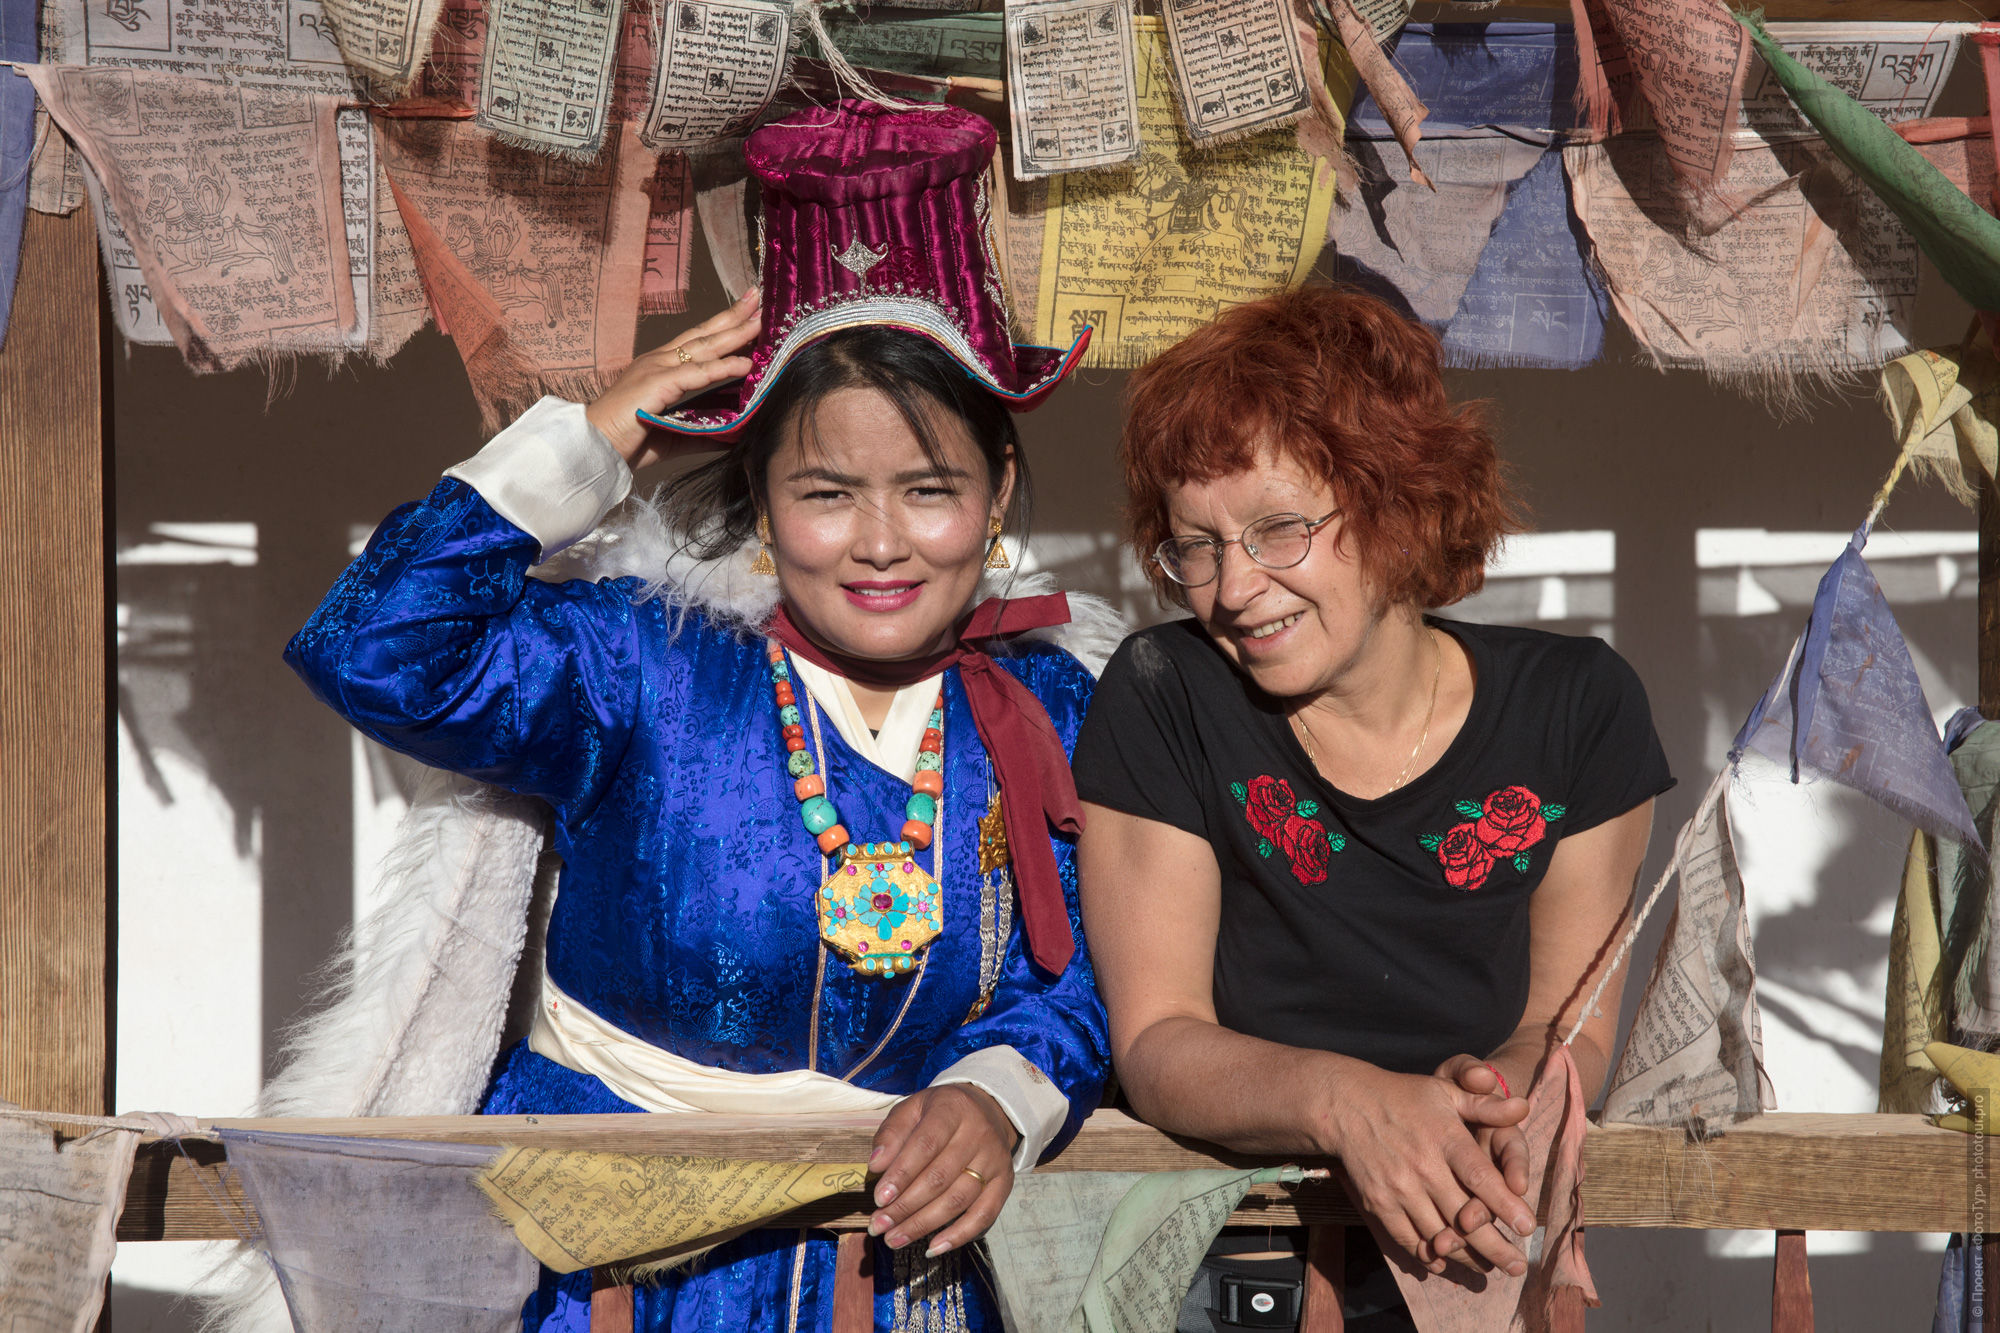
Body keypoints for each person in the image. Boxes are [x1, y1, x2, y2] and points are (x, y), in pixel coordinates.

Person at [284, 100, 1112, 1332]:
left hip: (900, 1279)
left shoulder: (1050, 706)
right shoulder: (642, 660)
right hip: (612, 1276)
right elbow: (375, 648)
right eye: (825, 492)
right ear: (763, 502)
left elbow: (1095, 965)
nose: (879, 542)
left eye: (928, 490)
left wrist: (999, 1093)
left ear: (993, 496)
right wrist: (592, 435)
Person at [1070, 286, 1671, 1330]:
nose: (1233, 587)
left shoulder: (1578, 710)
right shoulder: (1166, 690)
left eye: (1276, 528)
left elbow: (1562, 1031)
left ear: (1396, 502)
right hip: (1227, 1262)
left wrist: (1493, 1092)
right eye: (1194, 545)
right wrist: (1347, 1102)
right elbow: (1159, 1041)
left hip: (1467, 1247)